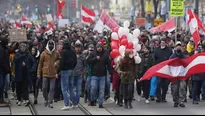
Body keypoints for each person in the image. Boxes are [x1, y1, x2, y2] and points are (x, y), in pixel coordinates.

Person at [87, 43, 112, 108]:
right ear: (96, 48)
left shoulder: (105, 54)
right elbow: (88, 61)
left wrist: (110, 72)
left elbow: (109, 64)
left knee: (101, 89)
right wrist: (95, 58)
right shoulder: (93, 54)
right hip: (94, 75)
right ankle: (92, 100)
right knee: (93, 88)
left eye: (100, 47)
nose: (99, 48)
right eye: (98, 47)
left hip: (102, 75)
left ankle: (100, 103)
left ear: (102, 48)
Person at [37, 40, 60, 108]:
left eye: (52, 45)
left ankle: (50, 101)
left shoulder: (56, 53)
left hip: (53, 73)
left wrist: (57, 62)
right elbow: (40, 64)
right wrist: (38, 73)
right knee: (44, 88)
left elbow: (59, 59)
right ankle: (46, 98)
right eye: (49, 45)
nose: (51, 46)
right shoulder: (43, 53)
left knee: (52, 88)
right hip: (45, 73)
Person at [57, 39, 77, 110]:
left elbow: (61, 63)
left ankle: (67, 104)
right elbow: (75, 61)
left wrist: (57, 71)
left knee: (64, 89)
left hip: (65, 71)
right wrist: (72, 67)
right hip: (71, 70)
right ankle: (74, 103)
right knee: (71, 88)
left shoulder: (63, 52)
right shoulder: (73, 51)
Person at [154, 38, 173, 103]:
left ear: (166, 43)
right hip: (159, 69)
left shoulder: (169, 50)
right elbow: (154, 58)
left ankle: (163, 97)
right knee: (158, 83)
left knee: (165, 84)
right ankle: (158, 97)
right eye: (161, 42)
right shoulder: (157, 50)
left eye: (164, 42)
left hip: (166, 69)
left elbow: (171, 59)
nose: (162, 43)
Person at [169, 41, 186, 107]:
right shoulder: (172, 55)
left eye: (180, 45)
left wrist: (181, 53)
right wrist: (176, 53)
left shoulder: (183, 55)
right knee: (175, 88)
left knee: (182, 87)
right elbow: (170, 61)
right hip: (175, 74)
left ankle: (181, 101)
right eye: (177, 46)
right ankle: (175, 100)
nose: (179, 47)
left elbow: (186, 60)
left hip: (182, 74)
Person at [72, 41, 86, 107]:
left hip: (79, 75)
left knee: (78, 90)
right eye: (76, 47)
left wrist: (83, 72)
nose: (78, 49)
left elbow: (85, 66)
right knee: (71, 89)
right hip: (72, 74)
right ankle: (73, 101)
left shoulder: (83, 56)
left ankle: (76, 102)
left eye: (79, 47)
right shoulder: (72, 55)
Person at [0, 37, 9, 104]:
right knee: (1, 85)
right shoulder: (1, 50)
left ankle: (1, 98)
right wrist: (6, 68)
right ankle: (1, 98)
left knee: (3, 85)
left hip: (3, 71)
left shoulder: (4, 49)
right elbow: (2, 61)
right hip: (1, 71)